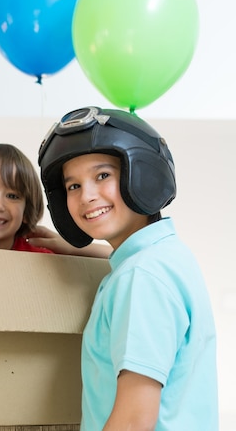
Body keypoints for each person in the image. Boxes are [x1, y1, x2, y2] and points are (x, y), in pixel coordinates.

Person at [38, 106, 218, 430]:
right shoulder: (165, 257)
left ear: (143, 174)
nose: (87, 197)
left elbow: (135, 420)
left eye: (102, 175)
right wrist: (75, 248)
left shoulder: (140, 277)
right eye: (73, 186)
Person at [0, 143, 110, 257]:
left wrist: (72, 248)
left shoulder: (40, 258)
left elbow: (120, 257)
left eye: (12, 196)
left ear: (26, 211)